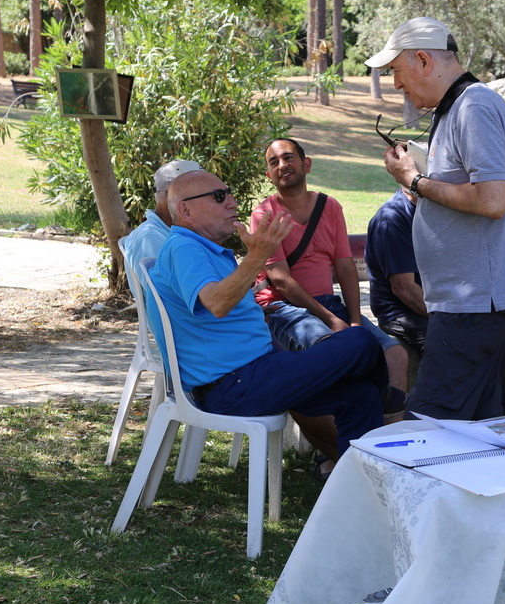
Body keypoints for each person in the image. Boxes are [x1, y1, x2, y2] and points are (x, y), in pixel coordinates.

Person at [145, 170, 386, 459]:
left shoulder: (200, 249)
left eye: (229, 193)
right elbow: (217, 303)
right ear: (186, 210)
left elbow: (214, 308)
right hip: (234, 385)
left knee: (361, 395)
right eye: (219, 197)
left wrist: (252, 312)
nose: (232, 202)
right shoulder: (184, 247)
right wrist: (258, 255)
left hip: (255, 373)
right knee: (360, 341)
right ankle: (390, 397)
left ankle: (360, 480)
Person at [368, 16, 505, 420]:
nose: (396, 84)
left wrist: (415, 180)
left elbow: (493, 200)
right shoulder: (457, 107)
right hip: (465, 302)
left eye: (396, 71)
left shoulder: (474, 106)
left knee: (427, 426)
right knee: (477, 430)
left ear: (423, 60)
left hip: (471, 305)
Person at [250, 138, 409, 396]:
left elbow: (345, 267)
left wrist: (355, 321)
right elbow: (281, 281)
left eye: (288, 157)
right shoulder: (264, 215)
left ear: (307, 164)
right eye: (274, 162)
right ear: (269, 175)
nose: (282, 165)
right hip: (284, 309)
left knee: (395, 354)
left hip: (328, 304)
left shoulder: (330, 207)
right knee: (332, 349)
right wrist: (331, 320)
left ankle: (388, 421)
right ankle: (347, 418)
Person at [366, 187, 428, 353]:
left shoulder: (431, 211)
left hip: (435, 306)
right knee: (452, 346)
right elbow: (404, 289)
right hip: (401, 312)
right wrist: (447, 318)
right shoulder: (391, 220)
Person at [122, 159, 201, 279]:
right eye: (200, 195)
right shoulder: (150, 238)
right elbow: (176, 288)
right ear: (171, 196)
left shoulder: (180, 231)